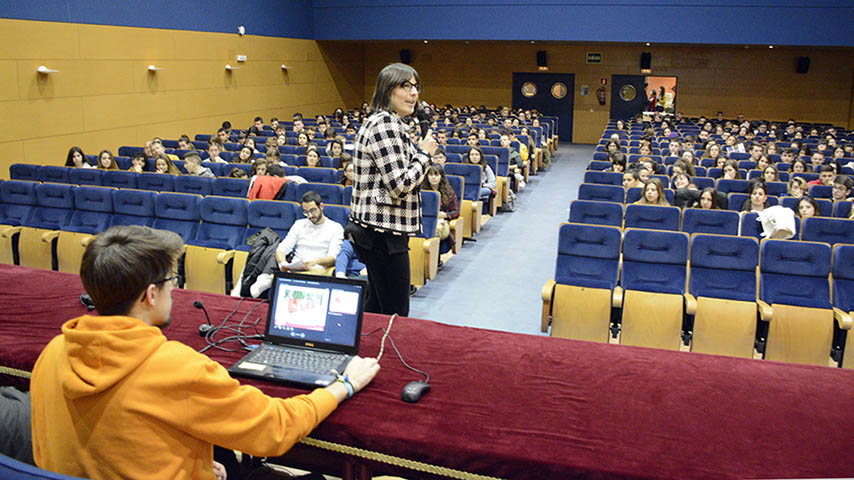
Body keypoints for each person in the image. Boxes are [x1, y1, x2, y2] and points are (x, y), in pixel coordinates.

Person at [29, 225, 379, 480]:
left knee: (221, 453)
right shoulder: (177, 368)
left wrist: (189, 465)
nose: (175, 288)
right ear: (150, 295)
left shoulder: (55, 350)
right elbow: (275, 428)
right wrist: (344, 385)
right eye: (171, 280)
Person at [347, 62, 438, 316]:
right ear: (387, 90)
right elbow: (400, 185)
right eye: (405, 86)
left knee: (377, 306)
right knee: (396, 313)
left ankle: (361, 351)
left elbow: (381, 188)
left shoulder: (390, 124)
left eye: (416, 86)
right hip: (382, 235)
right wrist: (424, 155)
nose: (414, 93)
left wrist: (419, 157)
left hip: (380, 231)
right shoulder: (384, 125)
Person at [276, 191, 344, 273]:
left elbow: (333, 257)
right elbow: (282, 248)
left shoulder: (336, 228)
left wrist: (315, 262)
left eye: (312, 210)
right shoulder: (299, 224)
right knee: (274, 278)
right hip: (295, 269)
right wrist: (282, 263)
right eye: (306, 212)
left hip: (317, 270)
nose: (310, 216)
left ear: (321, 206)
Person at [421, 164, 459, 254]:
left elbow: (456, 212)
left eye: (436, 175)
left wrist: (446, 215)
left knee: (436, 230)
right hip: (424, 220)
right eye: (431, 175)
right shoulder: (422, 191)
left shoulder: (449, 192)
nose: (433, 177)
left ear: (441, 177)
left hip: (441, 221)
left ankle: (434, 257)